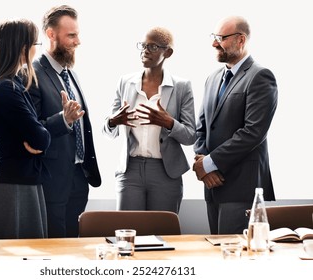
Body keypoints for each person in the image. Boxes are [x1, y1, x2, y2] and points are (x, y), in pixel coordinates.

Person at [193, 16, 278, 234]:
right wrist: (204, 168)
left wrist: (209, 164)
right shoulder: (212, 78)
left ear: (240, 40)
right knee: (216, 250)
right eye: (214, 37)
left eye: (220, 38)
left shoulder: (260, 76)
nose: (214, 43)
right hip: (212, 185)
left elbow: (253, 132)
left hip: (241, 186)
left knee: (235, 258)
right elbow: (202, 128)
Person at [102, 27, 196, 214]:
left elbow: (190, 136)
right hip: (130, 170)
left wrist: (168, 122)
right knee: (127, 233)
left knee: (162, 234)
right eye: (143, 46)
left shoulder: (181, 87)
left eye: (152, 46)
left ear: (167, 52)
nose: (145, 50)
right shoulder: (125, 82)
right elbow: (107, 131)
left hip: (165, 171)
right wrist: (113, 121)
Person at [29, 5, 101, 238]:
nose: (77, 41)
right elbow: (31, 130)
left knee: (73, 245)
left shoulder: (71, 74)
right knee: (54, 247)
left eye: (77, 34)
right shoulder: (32, 74)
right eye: (71, 35)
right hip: (52, 179)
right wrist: (63, 119)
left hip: (80, 176)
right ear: (51, 35)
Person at [0, 19, 51, 239]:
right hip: (13, 187)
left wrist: (39, 135)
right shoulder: (6, 88)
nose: (37, 49)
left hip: (23, 181)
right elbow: (41, 138)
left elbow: (38, 136)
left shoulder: (13, 84)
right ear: (22, 47)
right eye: (36, 43)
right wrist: (40, 136)